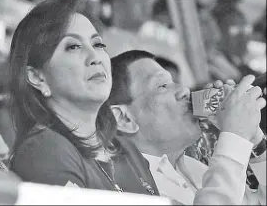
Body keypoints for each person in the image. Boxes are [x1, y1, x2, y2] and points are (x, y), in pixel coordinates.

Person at [8, 0, 159, 196]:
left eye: (98, 44)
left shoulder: (124, 149)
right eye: (73, 47)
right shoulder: (44, 150)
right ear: (37, 77)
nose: (95, 57)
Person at [108, 50, 266, 204]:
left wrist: (254, 138)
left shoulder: (193, 168)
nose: (184, 90)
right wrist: (235, 135)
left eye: (175, 82)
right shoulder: (124, 189)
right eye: (162, 86)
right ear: (124, 119)